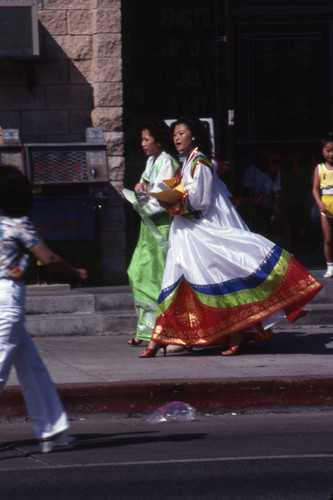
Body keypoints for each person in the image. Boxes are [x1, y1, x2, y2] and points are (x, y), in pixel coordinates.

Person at [139, 117, 323, 358]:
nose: (176, 138)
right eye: (175, 133)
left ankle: (236, 331)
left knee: (219, 274)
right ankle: (164, 337)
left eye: (181, 133)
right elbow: (184, 193)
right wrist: (159, 197)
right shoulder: (187, 164)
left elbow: (200, 202)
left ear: (193, 136)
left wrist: (171, 201)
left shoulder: (201, 163)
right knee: (178, 278)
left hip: (201, 229)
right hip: (186, 231)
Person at [0, 165, 87, 452]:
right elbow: (48, 258)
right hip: (8, 300)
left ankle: (52, 430)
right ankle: (51, 430)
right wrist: (76, 272)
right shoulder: (18, 224)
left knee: (32, 368)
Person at [123, 119, 179, 346]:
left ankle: (159, 331)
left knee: (154, 277)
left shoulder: (168, 162)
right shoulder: (152, 161)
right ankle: (146, 329)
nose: (143, 144)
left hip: (161, 228)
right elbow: (143, 186)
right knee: (138, 273)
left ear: (158, 140)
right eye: (142, 140)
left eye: (147, 139)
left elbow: (161, 199)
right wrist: (138, 189)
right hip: (148, 228)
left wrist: (141, 197)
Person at [312, 133, 333, 278]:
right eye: (328, 150)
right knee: (328, 239)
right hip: (326, 205)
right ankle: (330, 266)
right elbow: (314, 188)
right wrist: (319, 202)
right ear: (323, 152)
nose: (331, 154)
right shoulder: (319, 168)